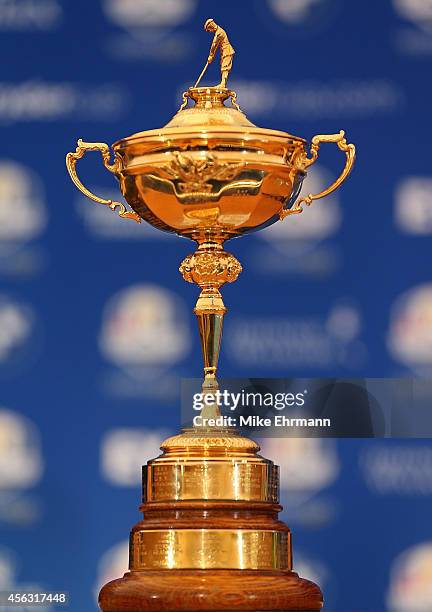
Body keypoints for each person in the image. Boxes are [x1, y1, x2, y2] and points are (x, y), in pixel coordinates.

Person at [204, 19, 235, 89]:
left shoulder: (219, 33)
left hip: (227, 51)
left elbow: (214, 45)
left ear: (211, 26)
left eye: (209, 30)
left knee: (225, 67)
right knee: (223, 67)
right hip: (224, 51)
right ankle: (223, 83)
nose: (210, 31)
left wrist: (211, 56)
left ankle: (223, 84)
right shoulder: (218, 31)